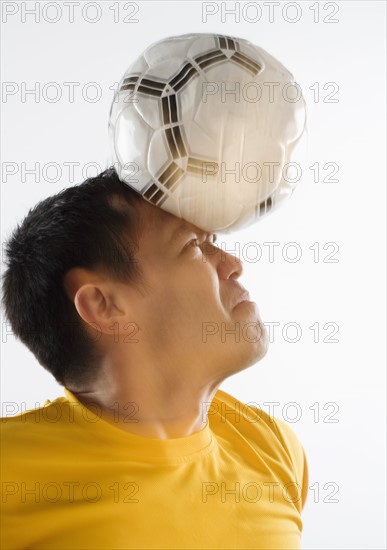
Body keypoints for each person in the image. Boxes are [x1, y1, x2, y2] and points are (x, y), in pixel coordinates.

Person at [1, 167, 308, 549]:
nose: (232, 263)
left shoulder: (272, 447)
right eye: (194, 247)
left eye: (213, 240)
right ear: (102, 304)